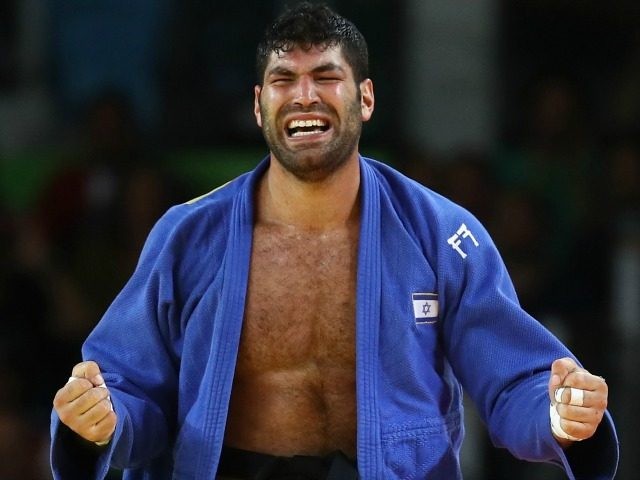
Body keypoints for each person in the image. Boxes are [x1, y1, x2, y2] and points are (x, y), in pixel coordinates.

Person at [50, 3, 619, 479]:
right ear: (258, 105)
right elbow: (126, 385)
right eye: (283, 80)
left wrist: (556, 414)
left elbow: (515, 377)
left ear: (365, 99)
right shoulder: (187, 234)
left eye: (326, 77)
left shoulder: (442, 232)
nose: (304, 96)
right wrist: (103, 419)